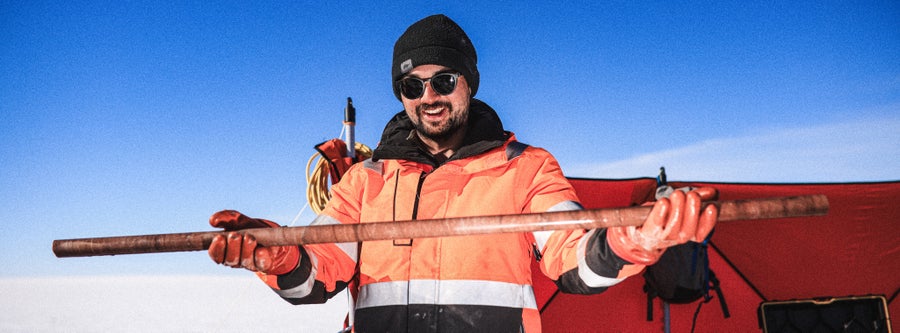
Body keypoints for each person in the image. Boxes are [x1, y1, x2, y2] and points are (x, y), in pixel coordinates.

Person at [207, 14, 718, 333]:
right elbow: (317, 275)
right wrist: (274, 254)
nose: (428, 96)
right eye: (412, 86)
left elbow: (574, 257)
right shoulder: (365, 181)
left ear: (468, 83)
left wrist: (634, 240)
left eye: (443, 80)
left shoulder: (526, 168)